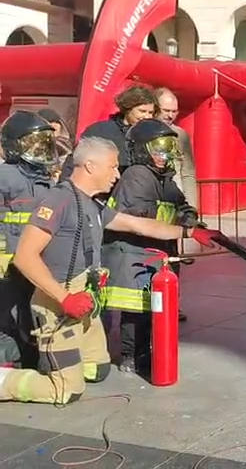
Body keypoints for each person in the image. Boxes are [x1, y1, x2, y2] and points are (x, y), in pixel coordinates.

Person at [0, 136, 221, 404]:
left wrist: (189, 231)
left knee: (98, 369)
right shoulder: (58, 201)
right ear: (91, 166)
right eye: (113, 167)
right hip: (58, 303)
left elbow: (138, 225)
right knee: (65, 391)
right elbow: (24, 257)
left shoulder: (92, 204)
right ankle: (7, 381)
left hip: (85, 302)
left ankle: (63, 361)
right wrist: (64, 298)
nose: (117, 175)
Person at [101, 119, 199, 374]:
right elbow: (139, 218)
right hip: (132, 254)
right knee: (136, 312)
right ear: (143, 149)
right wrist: (185, 229)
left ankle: (144, 353)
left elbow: (181, 204)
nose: (164, 155)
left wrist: (189, 215)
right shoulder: (137, 175)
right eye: (159, 148)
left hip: (153, 253)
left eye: (168, 148)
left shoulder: (164, 178)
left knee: (150, 309)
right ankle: (130, 357)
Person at [0, 111, 58, 368]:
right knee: (7, 315)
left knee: (27, 311)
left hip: (32, 260)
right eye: (34, 144)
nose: (42, 150)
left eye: (45, 143)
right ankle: (9, 365)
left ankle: (28, 356)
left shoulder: (45, 180)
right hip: (7, 263)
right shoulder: (6, 177)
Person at [58, 85, 157, 182]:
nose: (147, 116)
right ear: (128, 109)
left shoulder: (153, 136)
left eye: (150, 112)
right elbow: (75, 162)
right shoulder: (100, 131)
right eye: (142, 111)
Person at [155, 87, 194, 323]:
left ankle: (173, 303)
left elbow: (188, 172)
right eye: (166, 110)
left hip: (173, 204)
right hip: (149, 205)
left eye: (174, 111)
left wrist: (192, 206)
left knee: (173, 257)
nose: (170, 115)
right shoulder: (140, 134)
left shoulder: (180, 135)